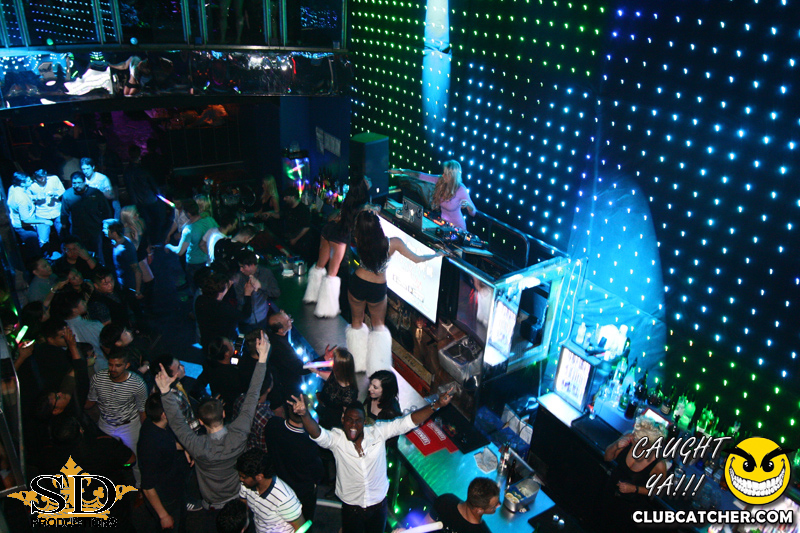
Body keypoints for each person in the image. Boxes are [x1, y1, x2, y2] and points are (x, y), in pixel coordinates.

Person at [288, 386, 454, 533]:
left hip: (378, 505)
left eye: (358, 421)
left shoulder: (378, 432)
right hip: (352, 508)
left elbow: (407, 422)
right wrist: (304, 414)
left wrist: (436, 405)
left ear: (364, 422)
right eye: (349, 420)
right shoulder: (337, 439)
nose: (353, 425)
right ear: (343, 420)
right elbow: (318, 433)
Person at [155, 331, 270, 510]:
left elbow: (176, 422)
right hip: (238, 493)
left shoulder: (194, 444)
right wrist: (262, 358)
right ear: (223, 413)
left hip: (211, 500)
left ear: (201, 421)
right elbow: (253, 395)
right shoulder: (239, 432)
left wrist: (164, 392)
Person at [346, 210, 441, 374]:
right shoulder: (393, 243)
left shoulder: (359, 239)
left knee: (356, 322)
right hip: (377, 287)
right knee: (378, 327)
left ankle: (357, 363)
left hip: (358, 282)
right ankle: (378, 366)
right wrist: (436, 255)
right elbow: (417, 259)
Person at [303, 176, 371, 318]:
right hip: (340, 236)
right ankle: (325, 310)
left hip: (329, 229)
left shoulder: (348, 201)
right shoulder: (362, 207)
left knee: (320, 265)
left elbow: (333, 217)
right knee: (333, 273)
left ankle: (312, 296)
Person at [84, 350, 148, 486]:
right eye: (111, 365)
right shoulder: (98, 378)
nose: (113, 369)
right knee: (105, 458)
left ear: (127, 365)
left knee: (136, 459)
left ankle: (141, 487)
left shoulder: (137, 383)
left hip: (129, 425)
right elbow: (91, 400)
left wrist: (146, 432)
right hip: (105, 424)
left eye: (118, 365)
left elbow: (142, 410)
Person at [602, 416, 668, 531]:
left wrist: (634, 489)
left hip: (629, 508)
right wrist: (616, 445)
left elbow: (657, 490)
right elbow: (607, 457)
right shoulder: (629, 438)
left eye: (637, 439)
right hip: (609, 493)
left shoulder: (658, 464)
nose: (632, 438)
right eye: (634, 434)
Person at [138, 393, 191, 532]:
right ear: (164, 415)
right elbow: (147, 487)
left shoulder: (153, 424)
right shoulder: (151, 446)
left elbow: (168, 442)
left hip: (174, 486)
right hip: (166, 497)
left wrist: (185, 448)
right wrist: (163, 515)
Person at [264, 401, 324, 522]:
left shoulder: (273, 425)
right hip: (302, 494)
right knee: (304, 524)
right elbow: (317, 473)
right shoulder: (309, 442)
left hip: (277, 489)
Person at [389, 161, 477, 230]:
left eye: (446, 174)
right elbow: (420, 175)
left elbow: (473, 212)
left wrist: (467, 205)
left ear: (452, 176)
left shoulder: (461, 189)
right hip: (443, 224)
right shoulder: (441, 180)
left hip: (458, 227)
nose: (443, 175)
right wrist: (401, 171)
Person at [235, 448, 305, 533]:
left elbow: (301, 527)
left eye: (243, 477)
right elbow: (243, 506)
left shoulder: (284, 498)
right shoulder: (246, 485)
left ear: (259, 477)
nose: (241, 479)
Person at [166, 199, 218, 294]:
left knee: (196, 290)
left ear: (188, 213)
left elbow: (180, 251)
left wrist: (168, 246)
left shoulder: (189, 229)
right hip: (208, 259)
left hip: (194, 263)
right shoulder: (209, 220)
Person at [195, 270, 255, 348]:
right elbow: (245, 315)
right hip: (221, 344)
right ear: (221, 291)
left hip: (206, 339)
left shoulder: (200, 299)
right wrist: (248, 294)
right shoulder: (221, 308)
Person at [265, 310, 306, 417]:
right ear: (281, 330)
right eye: (288, 321)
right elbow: (300, 368)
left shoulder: (273, 337)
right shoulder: (281, 348)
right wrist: (320, 362)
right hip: (288, 387)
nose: (291, 321)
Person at [422, 477, 501, 533]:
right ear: (479, 510)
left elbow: (425, 524)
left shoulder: (445, 500)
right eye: (494, 506)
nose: (499, 505)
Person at [60, 171, 111, 254]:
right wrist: (64, 226)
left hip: (95, 229)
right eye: (74, 183)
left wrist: (106, 225)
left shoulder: (95, 193)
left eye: (79, 183)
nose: (77, 185)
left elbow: (105, 209)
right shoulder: (67, 195)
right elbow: (64, 212)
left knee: (97, 252)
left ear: (84, 182)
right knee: (80, 253)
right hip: (77, 230)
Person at [124, 144, 163, 244]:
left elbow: (129, 189)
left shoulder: (127, 171)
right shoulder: (143, 168)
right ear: (139, 154)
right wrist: (158, 193)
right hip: (150, 199)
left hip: (138, 202)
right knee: (157, 220)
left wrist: (134, 202)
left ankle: (148, 242)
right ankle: (156, 241)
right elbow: (152, 183)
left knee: (144, 223)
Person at [195, 337, 244, 416]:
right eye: (230, 343)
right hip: (234, 409)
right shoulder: (234, 373)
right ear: (226, 354)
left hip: (219, 406)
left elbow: (199, 384)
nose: (232, 343)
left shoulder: (210, 366)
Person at [313, 346, 359, 429]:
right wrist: (316, 368)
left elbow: (347, 414)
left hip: (332, 422)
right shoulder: (335, 375)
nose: (330, 361)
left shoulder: (349, 392)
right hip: (322, 413)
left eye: (333, 360)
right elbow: (322, 373)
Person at [234, 250, 280, 330]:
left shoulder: (266, 273)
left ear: (252, 265)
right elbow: (240, 301)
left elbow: (276, 292)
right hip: (245, 321)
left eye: (243, 267)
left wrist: (261, 286)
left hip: (262, 318)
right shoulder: (239, 278)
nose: (241, 270)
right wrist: (247, 294)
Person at [8, 171, 51, 257]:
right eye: (28, 181)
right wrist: (44, 221)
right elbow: (26, 219)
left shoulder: (13, 188)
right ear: (22, 184)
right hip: (26, 229)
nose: (31, 181)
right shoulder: (21, 199)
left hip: (20, 227)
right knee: (35, 253)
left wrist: (35, 197)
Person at [231, 371, 273, 452]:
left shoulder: (240, 399)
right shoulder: (266, 418)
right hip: (255, 455)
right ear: (269, 388)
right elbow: (265, 447)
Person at [104, 219, 144, 301]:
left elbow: (137, 271)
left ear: (114, 233)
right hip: (123, 286)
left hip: (129, 288)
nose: (103, 230)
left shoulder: (126, 249)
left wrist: (137, 291)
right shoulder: (117, 242)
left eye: (106, 229)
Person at [29, 168, 65, 243]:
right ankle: (45, 250)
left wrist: (55, 193)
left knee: (63, 236)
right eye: (40, 177)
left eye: (44, 176)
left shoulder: (54, 178)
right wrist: (36, 197)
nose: (42, 179)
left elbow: (63, 191)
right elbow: (27, 198)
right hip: (42, 214)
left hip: (57, 211)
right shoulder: (30, 184)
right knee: (43, 240)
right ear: (34, 176)